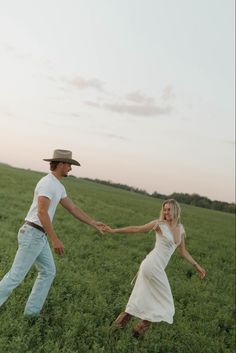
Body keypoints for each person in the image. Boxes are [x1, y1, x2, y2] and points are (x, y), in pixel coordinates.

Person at [0, 149, 106, 317]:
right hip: (33, 233)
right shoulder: (47, 183)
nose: (71, 169)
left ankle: (31, 314)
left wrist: (93, 222)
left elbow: (73, 208)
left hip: (38, 235)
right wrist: (55, 239)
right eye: (69, 165)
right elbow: (42, 212)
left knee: (48, 271)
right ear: (61, 164)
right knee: (16, 276)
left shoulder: (58, 186)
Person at [105, 199, 206, 337]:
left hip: (156, 267)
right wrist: (114, 230)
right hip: (152, 265)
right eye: (164, 210)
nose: (166, 212)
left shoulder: (181, 229)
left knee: (140, 299)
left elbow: (183, 252)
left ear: (176, 210)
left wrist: (197, 266)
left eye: (169, 209)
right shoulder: (159, 224)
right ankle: (137, 331)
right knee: (166, 303)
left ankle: (118, 332)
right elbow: (137, 229)